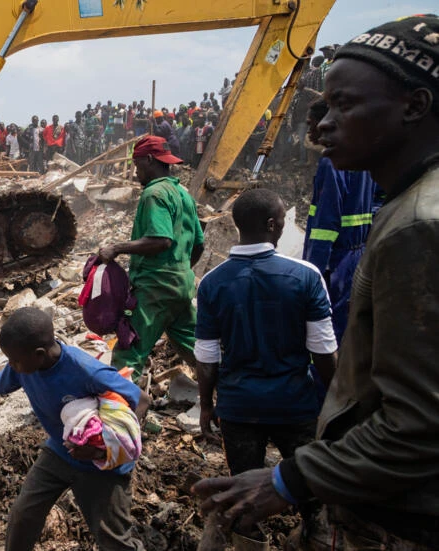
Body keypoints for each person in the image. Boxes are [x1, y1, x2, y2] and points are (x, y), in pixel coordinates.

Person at [192, 16, 439, 550]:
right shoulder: (394, 210)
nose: (321, 124)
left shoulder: (417, 226)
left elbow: (418, 420)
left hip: (407, 513)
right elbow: (327, 353)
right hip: (309, 418)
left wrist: (286, 479)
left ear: (414, 106)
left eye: (344, 105)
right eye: (322, 107)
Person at [0, 307, 145, 551]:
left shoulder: (84, 370)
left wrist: (105, 447)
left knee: (114, 540)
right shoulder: (26, 365)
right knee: (23, 515)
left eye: (14, 361)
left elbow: (141, 399)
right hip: (59, 453)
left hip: (102, 468)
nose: (11, 366)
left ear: (39, 354)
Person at [195, 189, 337, 549]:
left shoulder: (212, 283)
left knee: (242, 494)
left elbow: (207, 358)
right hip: (295, 405)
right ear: (272, 225)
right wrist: (334, 402)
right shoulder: (305, 276)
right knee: (309, 487)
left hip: (239, 408)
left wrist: (208, 405)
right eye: (283, 222)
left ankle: (248, 541)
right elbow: (323, 353)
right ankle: (313, 538)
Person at [100, 136, 202, 382]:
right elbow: (198, 244)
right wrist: (181, 271)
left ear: (148, 160)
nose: (136, 173)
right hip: (182, 286)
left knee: (129, 349)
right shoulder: (182, 194)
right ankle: (232, 392)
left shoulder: (154, 193)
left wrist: (117, 248)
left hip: (155, 289)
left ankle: (119, 415)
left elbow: (161, 239)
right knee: (198, 349)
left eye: (137, 165)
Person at [302, 99, 382, 343]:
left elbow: (325, 225)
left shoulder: (331, 162)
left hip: (334, 261)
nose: (309, 131)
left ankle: (323, 379)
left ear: (326, 123)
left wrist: (311, 272)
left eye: (311, 124)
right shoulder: (365, 156)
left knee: (325, 329)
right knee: (348, 325)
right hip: (357, 254)